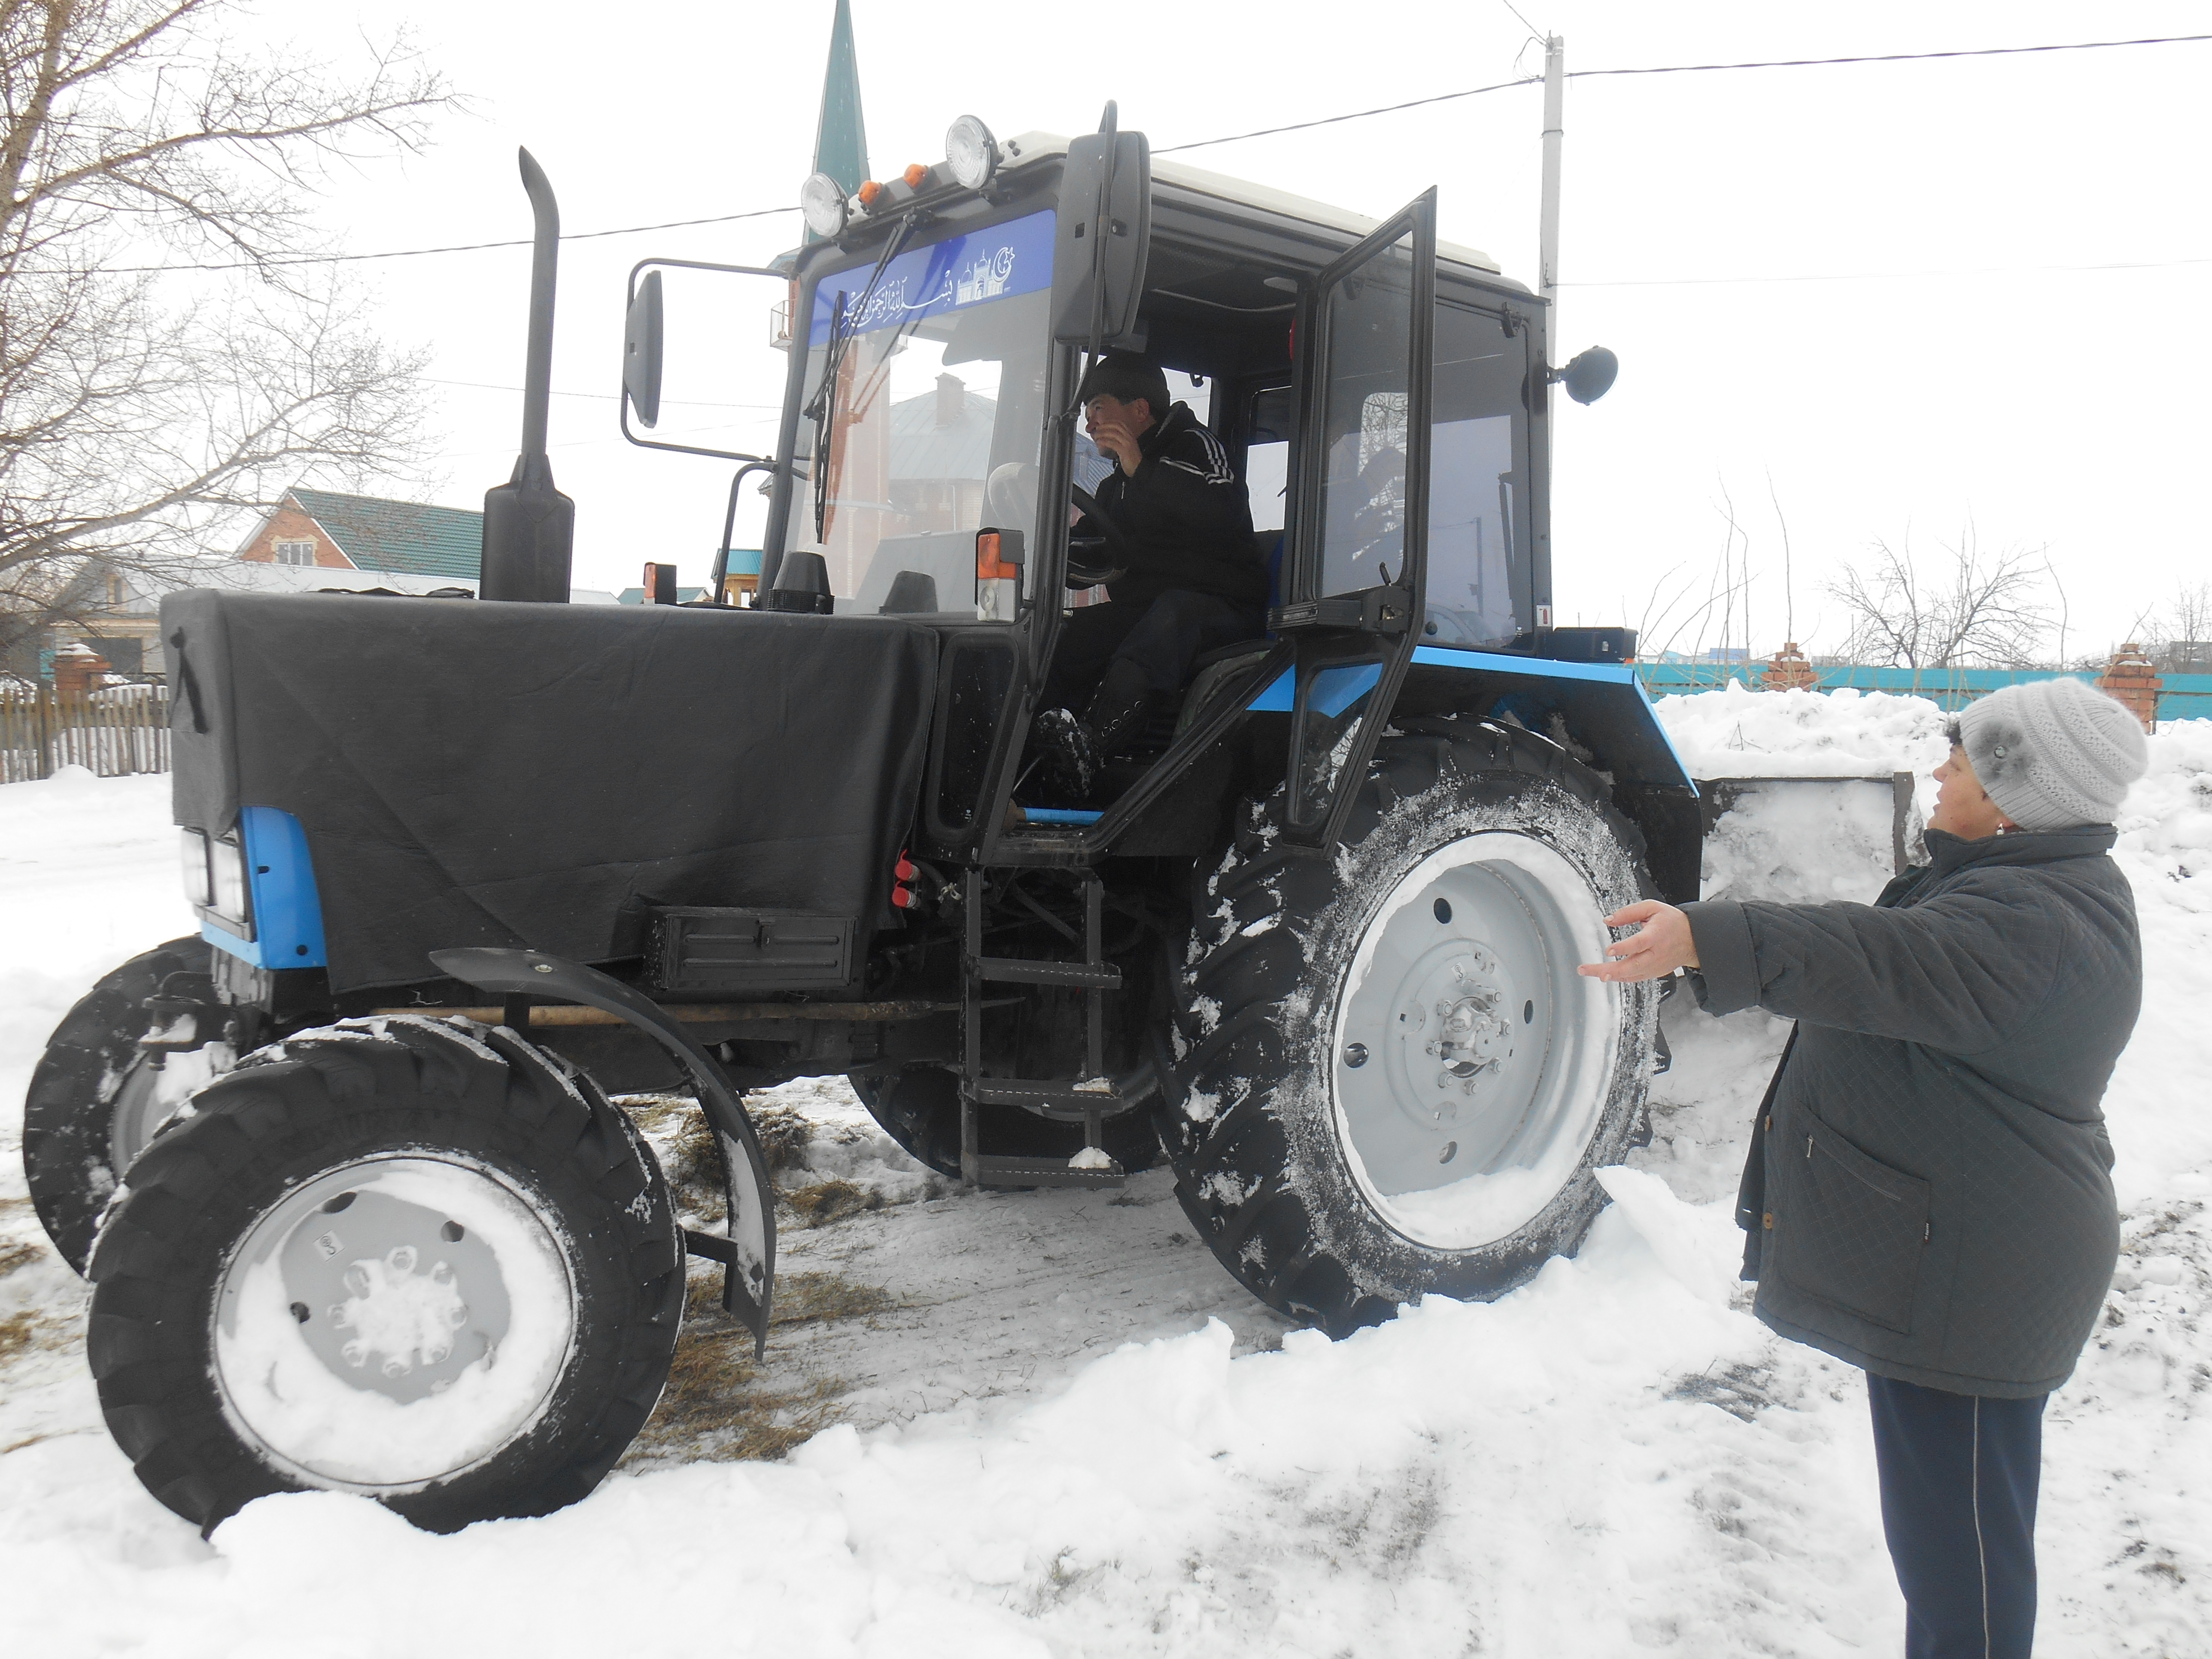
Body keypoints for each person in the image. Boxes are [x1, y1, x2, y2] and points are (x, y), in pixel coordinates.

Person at [1578, 676, 2149, 1659]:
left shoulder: (2035, 920)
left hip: (1982, 1284)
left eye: (1962, 759)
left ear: (2019, 797)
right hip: (1975, 1264)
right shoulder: (2030, 889)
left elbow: (1879, 959)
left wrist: (1708, 935)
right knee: (1952, 1549)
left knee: (1962, 1566)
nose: (1939, 769)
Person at [1030, 353, 1267, 798]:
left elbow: (1223, 509)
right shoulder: (1113, 485)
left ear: (1140, 409)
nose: (1090, 423)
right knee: (1069, 635)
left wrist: (1143, 468)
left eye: (1099, 408)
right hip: (1149, 609)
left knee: (1172, 614)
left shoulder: (1198, 446)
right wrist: (1052, 559)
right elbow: (1099, 547)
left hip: (1225, 607)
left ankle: (1093, 744)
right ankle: (1040, 755)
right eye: (1086, 414)